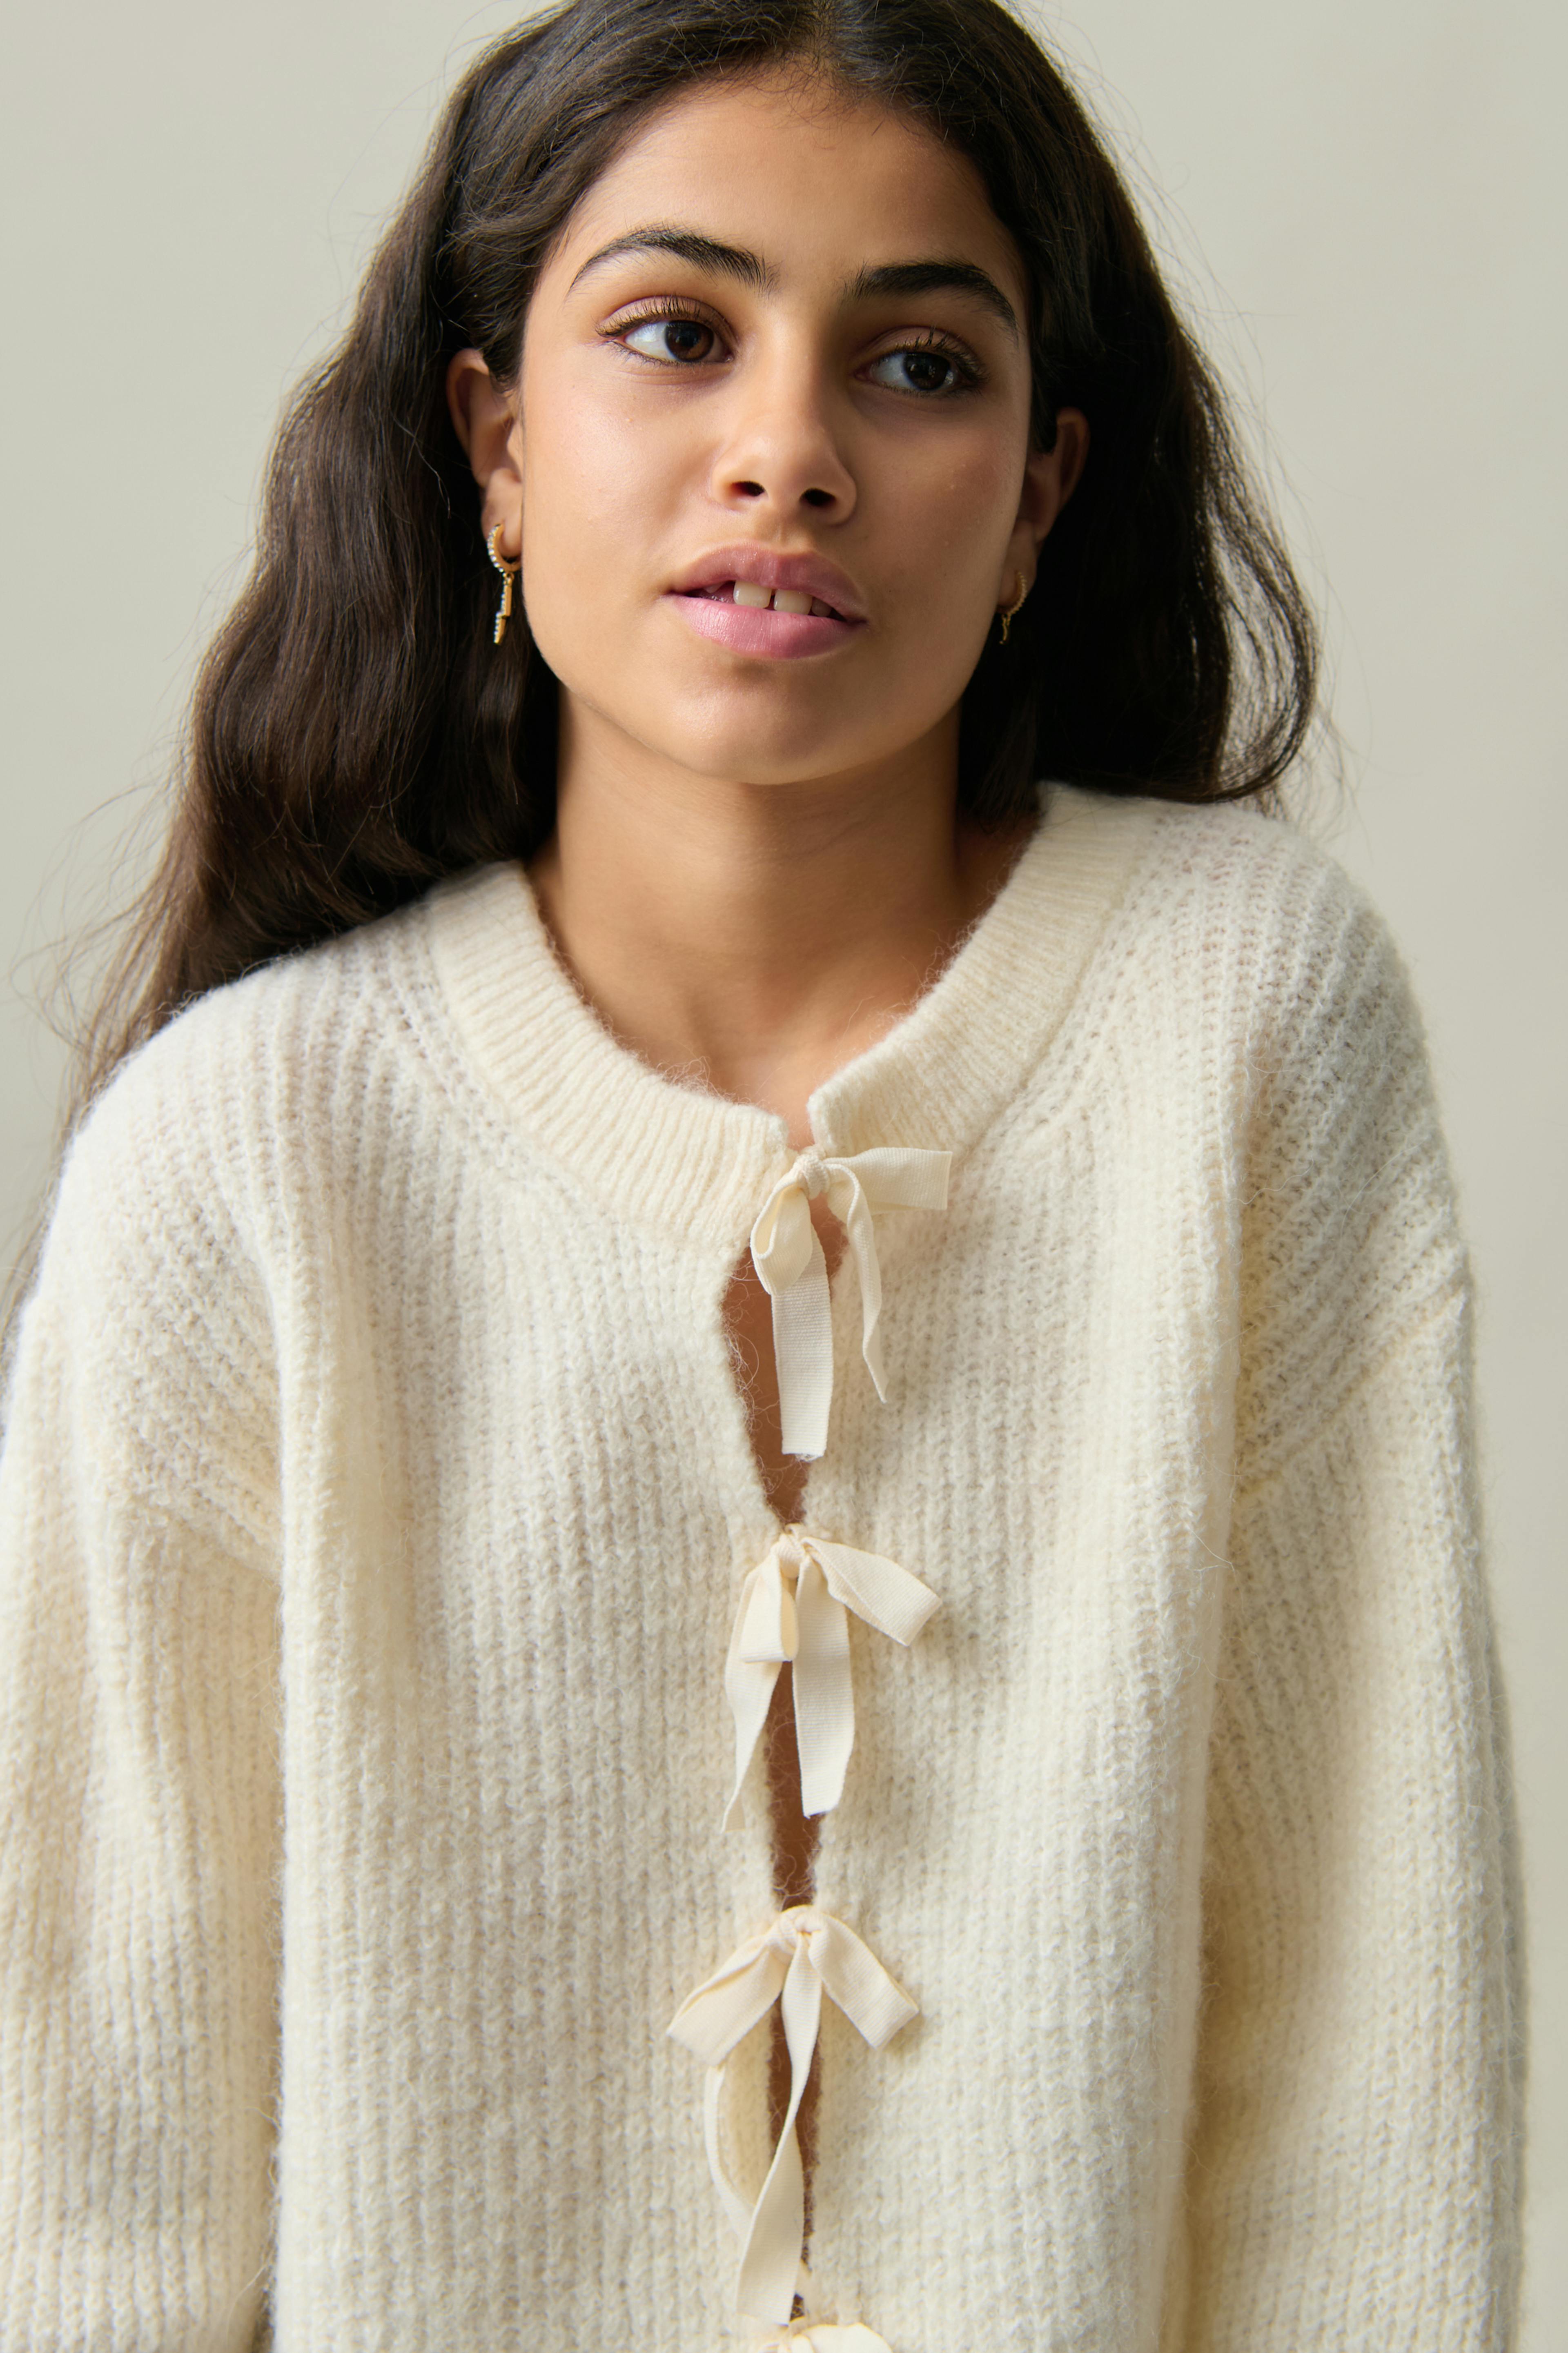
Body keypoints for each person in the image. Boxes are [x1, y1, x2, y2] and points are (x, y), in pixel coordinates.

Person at [0, 1, 1524, 2346]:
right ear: (497, 443)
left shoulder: (1242, 1026)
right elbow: (88, 2183)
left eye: (919, 366)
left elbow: (1364, 2041)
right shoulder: (239, 1167)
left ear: (1040, 496)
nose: (789, 454)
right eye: (676, 334)